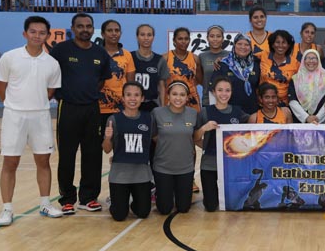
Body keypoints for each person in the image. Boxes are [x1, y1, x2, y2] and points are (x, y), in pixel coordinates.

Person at [0, 16, 63, 226]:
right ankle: (7, 209)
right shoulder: (10, 57)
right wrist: (13, 105)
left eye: (42, 33)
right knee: (10, 162)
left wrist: (35, 103)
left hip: (40, 116)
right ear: (25, 33)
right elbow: (1, 85)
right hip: (14, 116)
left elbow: (50, 91)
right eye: (33, 32)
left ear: (47, 35)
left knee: (43, 161)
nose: (37, 36)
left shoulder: (52, 63)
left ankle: (45, 204)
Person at [50, 13, 112, 214]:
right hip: (68, 107)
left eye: (88, 26)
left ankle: (88, 197)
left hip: (92, 108)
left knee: (92, 154)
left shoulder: (100, 53)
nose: (85, 29)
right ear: (73, 28)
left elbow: (102, 80)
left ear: (93, 29)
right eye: (80, 26)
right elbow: (50, 75)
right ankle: (67, 199)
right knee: (67, 155)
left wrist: (88, 93)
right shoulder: (61, 50)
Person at [195, 76, 249, 212]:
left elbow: (252, 127)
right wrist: (204, 128)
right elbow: (194, 137)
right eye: (220, 90)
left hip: (231, 164)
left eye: (227, 90)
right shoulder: (205, 112)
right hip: (210, 163)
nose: (224, 94)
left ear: (231, 92)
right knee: (210, 206)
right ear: (213, 92)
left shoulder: (238, 112)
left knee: (234, 204)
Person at [102, 81, 153, 221]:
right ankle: (115, 202)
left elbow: (157, 139)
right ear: (123, 98)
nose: (132, 98)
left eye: (136, 95)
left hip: (141, 174)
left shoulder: (149, 118)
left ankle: (130, 201)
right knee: (119, 216)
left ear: (142, 98)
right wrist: (108, 138)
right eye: (128, 95)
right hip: (120, 174)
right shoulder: (113, 119)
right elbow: (106, 150)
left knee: (143, 213)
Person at [151, 81, 200, 215]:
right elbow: (153, 136)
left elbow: (195, 137)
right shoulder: (157, 113)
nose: (178, 98)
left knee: (183, 208)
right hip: (163, 168)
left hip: (185, 168)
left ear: (187, 97)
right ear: (168, 95)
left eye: (182, 95)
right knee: (164, 209)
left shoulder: (193, 113)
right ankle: (161, 191)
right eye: (174, 94)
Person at [99, 20, 136, 138]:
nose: (114, 33)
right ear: (103, 34)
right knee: (98, 144)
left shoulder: (127, 55)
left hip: (120, 109)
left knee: (120, 144)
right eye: (110, 30)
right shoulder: (95, 53)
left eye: (117, 30)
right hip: (98, 108)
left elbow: (131, 84)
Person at [210, 33, 260, 115]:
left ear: (251, 47)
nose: (243, 47)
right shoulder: (223, 64)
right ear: (234, 45)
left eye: (247, 45)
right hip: (229, 113)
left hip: (253, 112)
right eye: (239, 44)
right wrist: (214, 112)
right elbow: (213, 89)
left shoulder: (257, 63)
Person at [161, 27, 203, 112]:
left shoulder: (195, 58)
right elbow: (161, 83)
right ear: (174, 40)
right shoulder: (165, 58)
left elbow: (200, 80)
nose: (183, 41)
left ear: (189, 40)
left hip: (191, 99)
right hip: (171, 98)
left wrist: (188, 84)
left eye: (186, 39)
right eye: (180, 39)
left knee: (194, 120)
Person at [288, 49, 325, 123]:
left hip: (322, 121)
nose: (311, 61)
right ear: (303, 60)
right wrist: (306, 117)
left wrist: (318, 117)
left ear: (318, 61)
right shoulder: (295, 79)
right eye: (308, 58)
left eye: (314, 58)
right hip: (300, 121)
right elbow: (292, 101)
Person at [259, 29, 299, 105]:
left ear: (288, 45)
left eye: (284, 42)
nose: (280, 45)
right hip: (263, 103)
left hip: (284, 105)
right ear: (272, 44)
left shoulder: (295, 63)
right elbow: (246, 53)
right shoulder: (264, 55)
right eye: (277, 42)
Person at [132, 24, 168, 112]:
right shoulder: (129, 57)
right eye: (142, 35)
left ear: (153, 37)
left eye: (149, 35)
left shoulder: (160, 60)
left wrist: (162, 107)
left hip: (152, 104)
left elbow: (162, 86)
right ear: (137, 37)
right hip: (132, 103)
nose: (146, 38)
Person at [198, 25, 229, 106]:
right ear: (207, 38)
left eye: (218, 36)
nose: (215, 39)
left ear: (223, 39)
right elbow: (201, 79)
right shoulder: (202, 56)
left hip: (227, 100)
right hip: (207, 100)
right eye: (212, 36)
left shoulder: (230, 56)